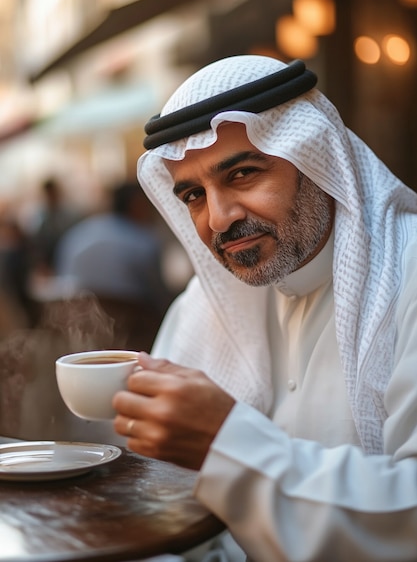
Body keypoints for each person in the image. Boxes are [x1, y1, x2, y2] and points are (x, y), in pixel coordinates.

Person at [112, 55, 417, 562]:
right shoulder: (201, 308)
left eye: (243, 174)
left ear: (316, 158)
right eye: (193, 195)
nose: (219, 218)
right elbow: (157, 501)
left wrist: (226, 442)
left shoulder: (408, 273)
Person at [55, 181, 173, 351]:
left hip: (78, 329)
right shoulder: (143, 240)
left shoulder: (78, 232)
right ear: (137, 204)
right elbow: (158, 295)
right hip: (132, 333)